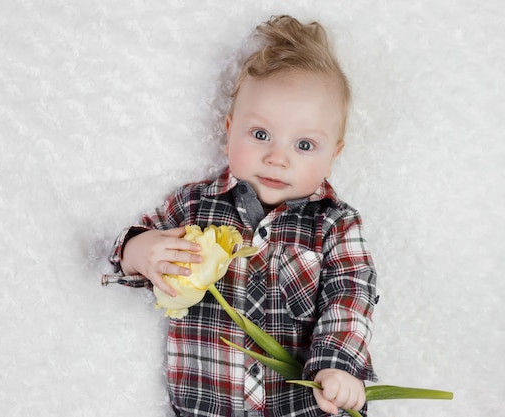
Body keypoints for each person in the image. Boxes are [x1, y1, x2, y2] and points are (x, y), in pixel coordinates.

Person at [110, 15, 378, 417]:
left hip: (302, 405)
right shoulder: (193, 205)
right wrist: (138, 251)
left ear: (333, 155)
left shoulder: (334, 224)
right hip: (206, 405)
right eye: (260, 135)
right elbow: (128, 253)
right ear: (230, 129)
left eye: (304, 144)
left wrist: (337, 366)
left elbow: (350, 294)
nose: (277, 157)